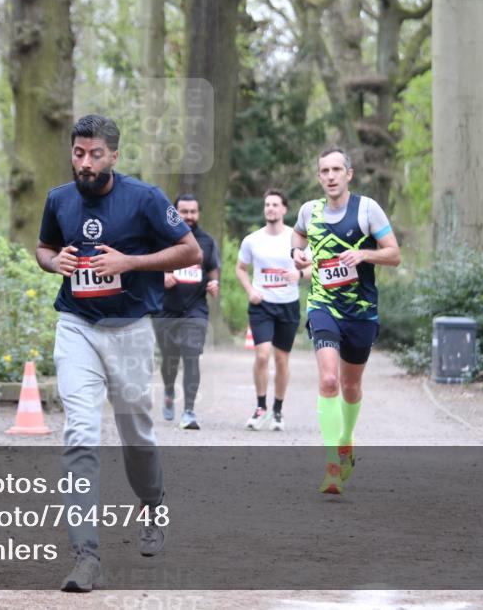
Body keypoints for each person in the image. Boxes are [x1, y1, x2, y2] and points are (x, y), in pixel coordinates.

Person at [36, 114, 202, 592]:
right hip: (77, 326)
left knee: (137, 433)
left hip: (129, 329)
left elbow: (189, 252)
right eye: (78, 153)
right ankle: (85, 555)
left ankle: (152, 503)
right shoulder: (59, 199)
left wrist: (130, 262)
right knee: (80, 431)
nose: (85, 163)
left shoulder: (144, 198)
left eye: (95, 154)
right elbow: (44, 248)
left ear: (113, 155)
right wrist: (54, 262)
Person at [291, 148, 401, 494]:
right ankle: (332, 465)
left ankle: (346, 438)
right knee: (327, 380)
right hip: (323, 305)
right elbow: (297, 237)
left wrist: (365, 254)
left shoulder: (367, 209)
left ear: (349, 174)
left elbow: (394, 254)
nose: (331, 176)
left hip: (361, 312)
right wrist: (295, 254)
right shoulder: (310, 211)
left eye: (337, 169)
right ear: (319, 175)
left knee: (350, 386)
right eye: (324, 170)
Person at [235, 189, 309, 432]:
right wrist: (249, 290)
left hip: (288, 305)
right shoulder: (252, 240)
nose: (270, 208)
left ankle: (277, 409)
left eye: (275, 205)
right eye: (267, 204)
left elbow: (313, 269)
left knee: (281, 358)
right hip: (261, 305)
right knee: (262, 355)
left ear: (284, 209)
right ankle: (260, 407)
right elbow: (241, 269)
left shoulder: (296, 238)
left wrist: (298, 273)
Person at [153, 194, 221, 430]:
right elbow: (145, 268)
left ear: (198, 213)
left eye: (193, 211)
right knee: (169, 360)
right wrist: (160, 277)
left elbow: (212, 269)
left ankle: (189, 411)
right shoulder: (161, 238)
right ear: (174, 213)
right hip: (165, 310)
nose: (189, 216)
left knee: (191, 356)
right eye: (184, 211)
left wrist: (214, 284)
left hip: (195, 310)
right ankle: (169, 390)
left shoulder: (207, 242)